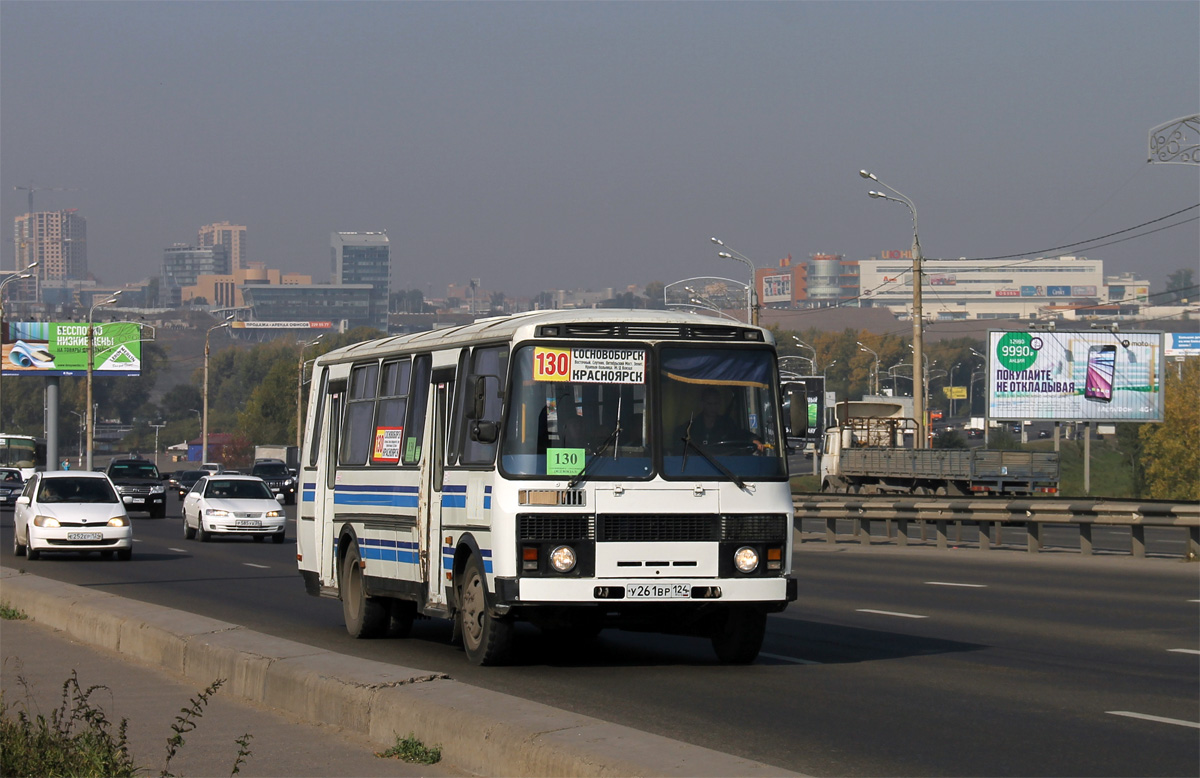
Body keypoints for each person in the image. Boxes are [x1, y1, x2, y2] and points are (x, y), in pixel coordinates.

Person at [676, 386, 765, 452]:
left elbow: (740, 434)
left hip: (725, 466)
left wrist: (754, 440)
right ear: (702, 404)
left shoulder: (727, 423)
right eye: (709, 404)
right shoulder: (691, 427)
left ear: (720, 404)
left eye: (716, 404)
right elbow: (680, 443)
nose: (713, 407)